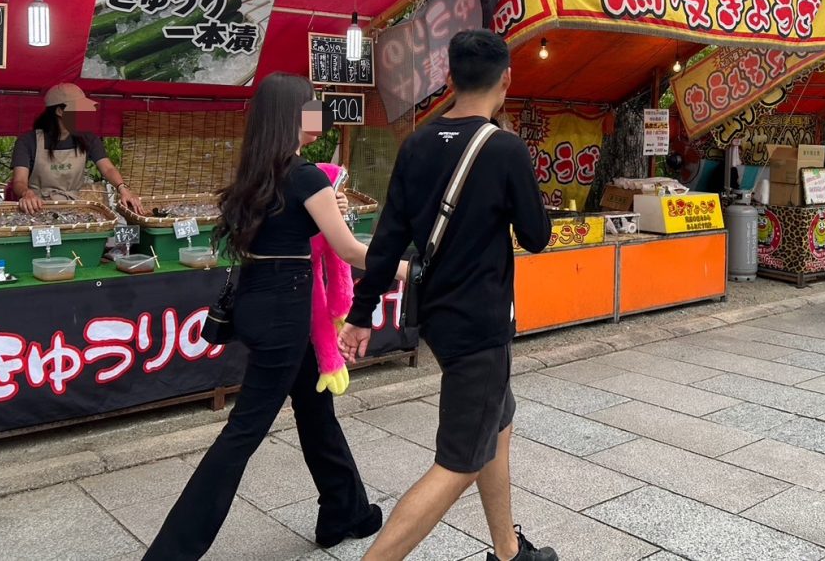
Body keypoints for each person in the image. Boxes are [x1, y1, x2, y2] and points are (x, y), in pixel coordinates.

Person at [144, 74, 390, 560]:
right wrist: (413, 268)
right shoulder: (304, 175)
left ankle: (346, 510)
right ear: (290, 117)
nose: (318, 119)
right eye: (311, 110)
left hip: (262, 305)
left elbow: (299, 225)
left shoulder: (259, 173)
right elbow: (348, 249)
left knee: (315, 406)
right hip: (285, 311)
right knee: (242, 434)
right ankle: (170, 553)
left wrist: (329, 206)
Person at [340, 30, 556, 561]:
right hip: (481, 324)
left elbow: (388, 239)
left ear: (448, 80)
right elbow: (537, 235)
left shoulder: (416, 144)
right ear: (506, 78)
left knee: (498, 422)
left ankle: (507, 551)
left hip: (437, 316)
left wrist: (359, 315)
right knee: (459, 461)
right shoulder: (504, 149)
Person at [11, 83, 143, 214]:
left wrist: (123, 189)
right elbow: (19, 180)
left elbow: (108, 168)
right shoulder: (28, 141)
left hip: (72, 209)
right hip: (35, 209)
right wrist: (26, 193)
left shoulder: (88, 139)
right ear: (59, 111)